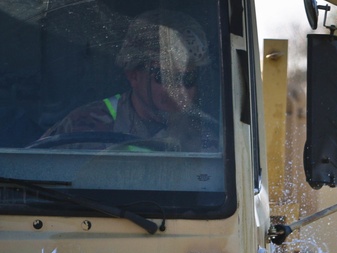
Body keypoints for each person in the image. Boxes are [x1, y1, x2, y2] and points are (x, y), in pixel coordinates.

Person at [39, 9, 217, 152]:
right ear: (133, 75)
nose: (179, 90)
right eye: (165, 77)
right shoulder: (81, 127)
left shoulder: (209, 136)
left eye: (189, 78)